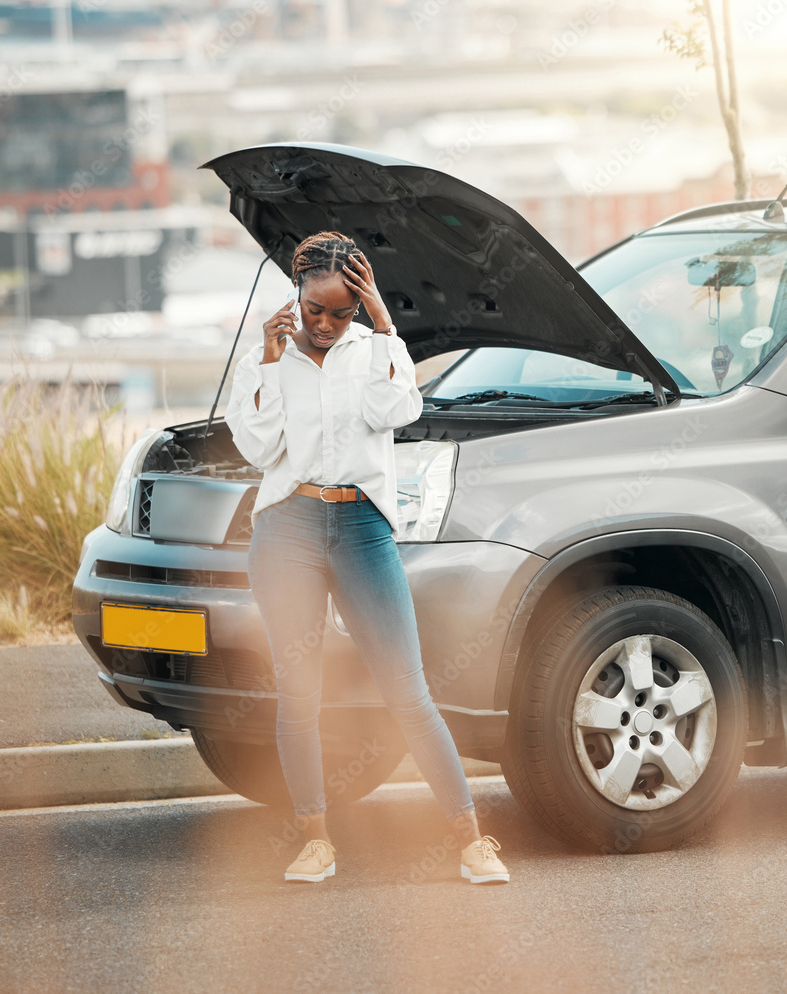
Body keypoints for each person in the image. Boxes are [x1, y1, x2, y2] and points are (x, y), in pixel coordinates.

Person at [225, 231, 509, 885]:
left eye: (341, 311)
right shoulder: (266, 355)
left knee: (407, 690)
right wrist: (270, 361)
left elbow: (400, 408)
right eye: (315, 309)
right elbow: (259, 448)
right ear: (295, 294)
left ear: (358, 304)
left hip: (361, 526)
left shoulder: (370, 347)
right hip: (287, 527)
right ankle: (316, 841)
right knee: (300, 693)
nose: (325, 324)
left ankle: (471, 840)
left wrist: (383, 324)